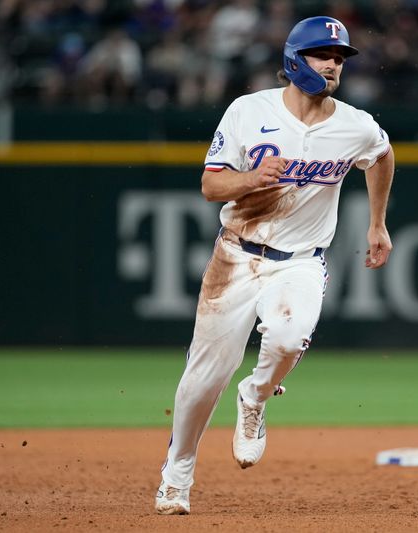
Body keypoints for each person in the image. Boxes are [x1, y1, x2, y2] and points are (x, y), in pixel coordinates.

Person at [154, 15, 395, 515]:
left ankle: (256, 396)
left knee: (288, 337)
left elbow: (383, 155)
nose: (332, 64)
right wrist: (250, 179)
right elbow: (210, 186)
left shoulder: (354, 124)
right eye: (323, 55)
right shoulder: (249, 111)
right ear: (293, 59)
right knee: (201, 381)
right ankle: (176, 477)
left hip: (301, 263)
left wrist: (377, 223)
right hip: (236, 256)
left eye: (340, 58)